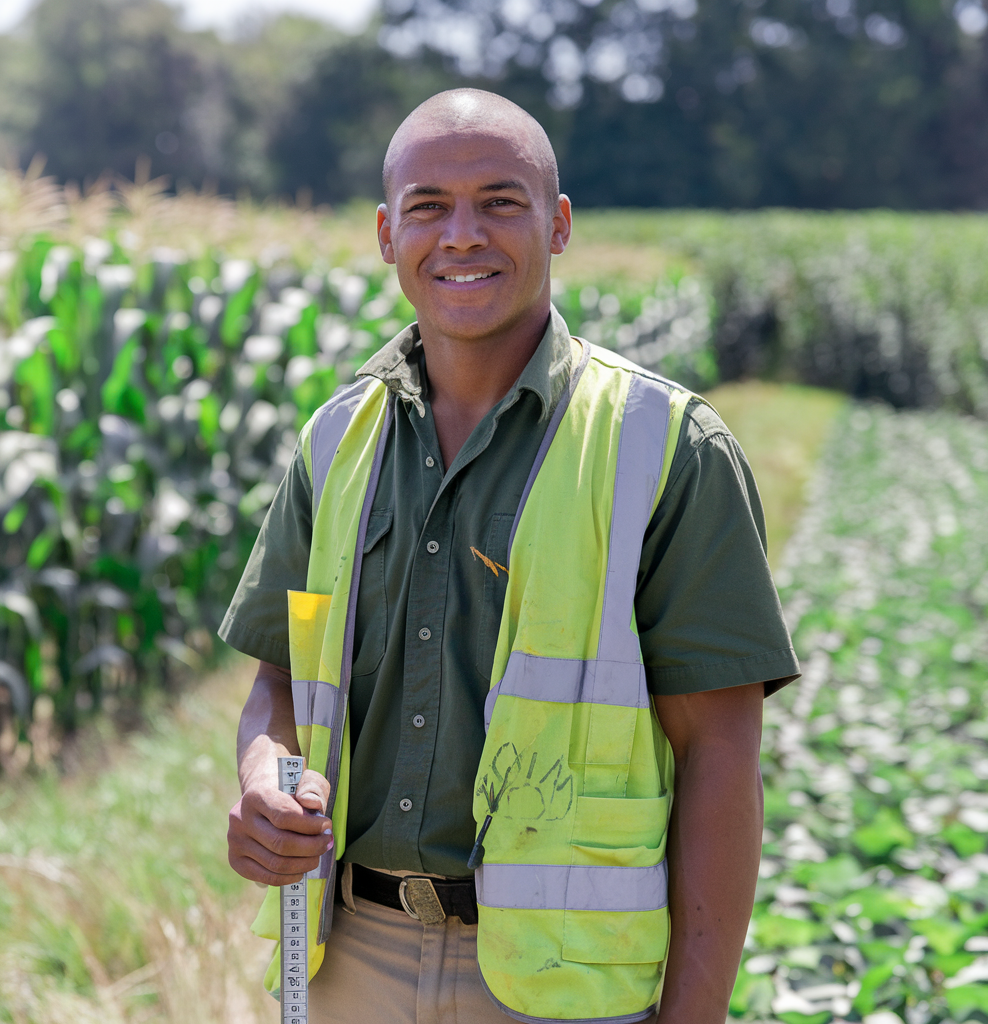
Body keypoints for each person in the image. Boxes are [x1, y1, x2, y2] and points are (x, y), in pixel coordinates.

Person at [222, 88, 800, 1024]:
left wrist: (695, 1014)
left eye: (499, 201)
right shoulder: (334, 442)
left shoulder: (666, 445)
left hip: (563, 983)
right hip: (347, 960)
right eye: (427, 207)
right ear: (384, 232)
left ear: (558, 224)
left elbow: (720, 753)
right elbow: (279, 681)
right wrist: (261, 773)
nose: (461, 235)